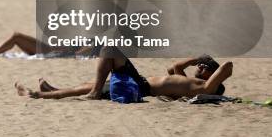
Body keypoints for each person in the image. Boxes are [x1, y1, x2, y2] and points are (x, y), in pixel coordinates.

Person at [15, 47, 232, 100]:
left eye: (205, 68)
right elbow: (174, 67)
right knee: (95, 81)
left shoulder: (205, 88)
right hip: (141, 82)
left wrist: (212, 66)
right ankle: (53, 91)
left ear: (212, 77)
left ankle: (38, 95)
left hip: (141, 88)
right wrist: (198, 59)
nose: (200, 68)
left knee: (109, 52)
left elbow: (227, 67)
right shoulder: (189, 81)